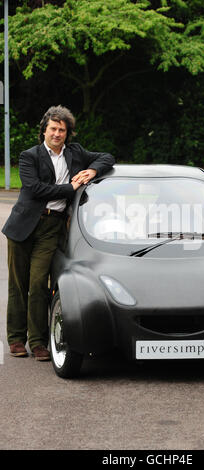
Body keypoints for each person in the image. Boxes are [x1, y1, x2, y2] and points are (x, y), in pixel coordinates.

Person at [2, 105, 115, 361]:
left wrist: (93, 170)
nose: (57, 133)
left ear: (67, 133)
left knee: (39, 284)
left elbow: (107, 157)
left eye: (62, 130)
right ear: (44, 130)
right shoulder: (29, 156)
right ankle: (16, 339)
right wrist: (69, 188)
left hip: (52, 228)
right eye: (53, 128)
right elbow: (34, 189)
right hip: (22, 227)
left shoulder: (75, 153)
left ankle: (39, 341)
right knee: (18, 286)